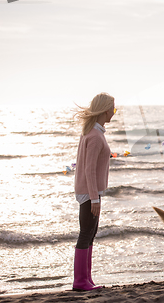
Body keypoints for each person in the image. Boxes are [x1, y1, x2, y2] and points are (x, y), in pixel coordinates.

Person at [72, 93, 116, 291]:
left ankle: (87, 279)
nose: (114, 113)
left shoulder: (92, 132)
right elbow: (89, 170)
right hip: (90, 194)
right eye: (113, 109)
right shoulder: (95, 136)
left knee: (90, 233)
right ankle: (80, 281)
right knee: (86, 234)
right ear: (106, 110)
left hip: (92, 192)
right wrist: (94, 199)